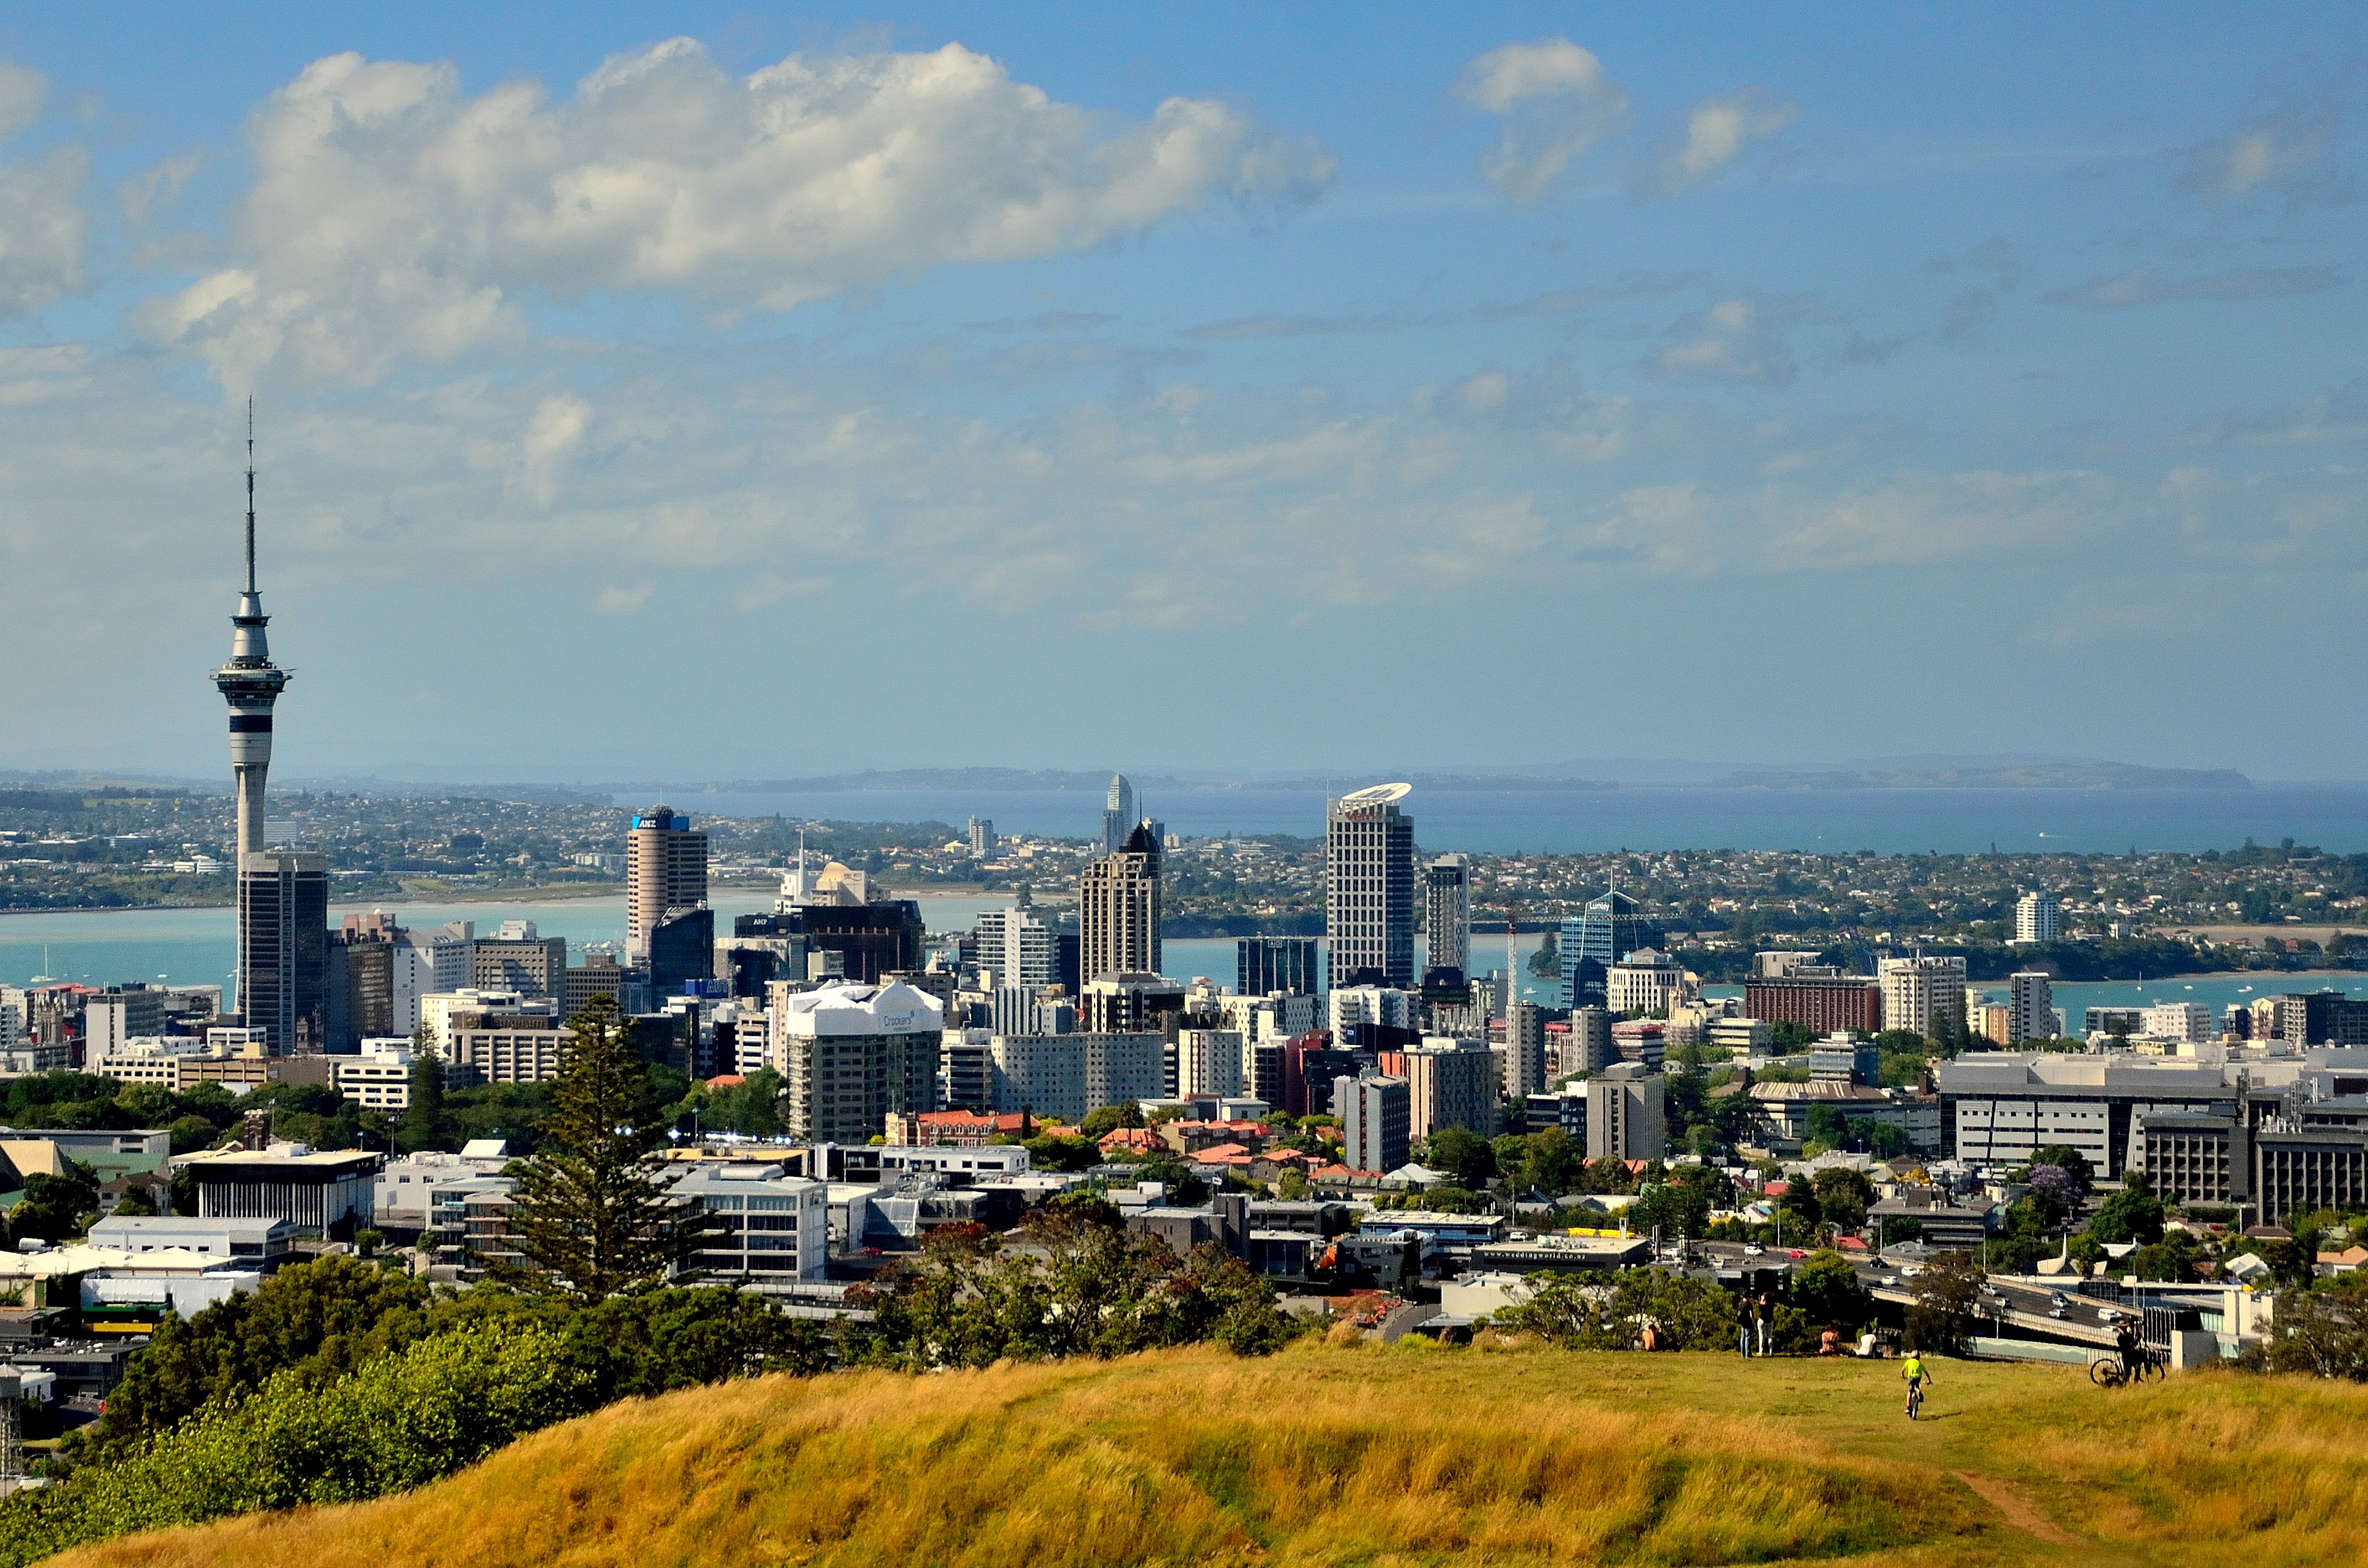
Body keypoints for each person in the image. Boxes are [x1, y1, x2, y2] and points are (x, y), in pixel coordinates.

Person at [1901, 1349, 1931, 1417]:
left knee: (1910, 1391)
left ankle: (1909, 1407)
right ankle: (1918, 1391)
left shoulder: (1908, 1361)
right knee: (1916, 1386)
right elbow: (1926, 1372)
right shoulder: (1919, 1363)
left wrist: (1903, 1376)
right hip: (1918, 1378)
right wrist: (1929, 1380)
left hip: (1911, 1377)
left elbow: (1902, 1370)